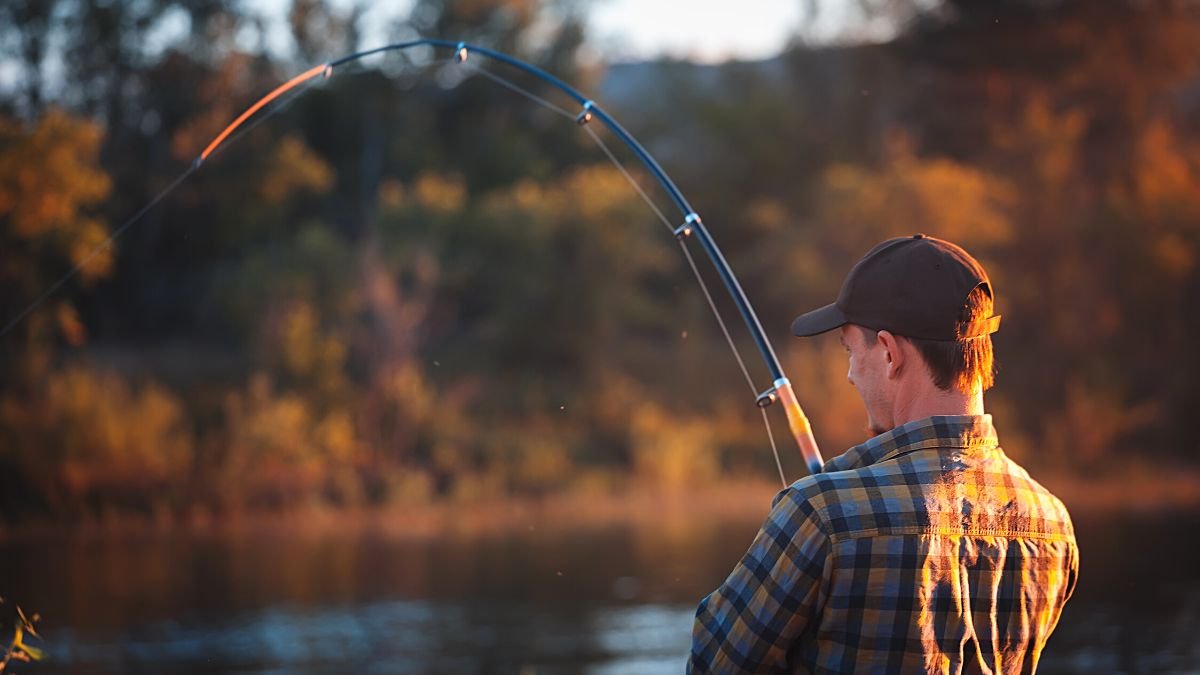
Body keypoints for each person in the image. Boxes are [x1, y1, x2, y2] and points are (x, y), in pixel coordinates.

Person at [689, 234, 1078, 673]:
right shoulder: (1053, 524)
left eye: (851, 351)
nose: (851, 375)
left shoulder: (820, 513)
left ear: (890, 353)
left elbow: (712, 663)